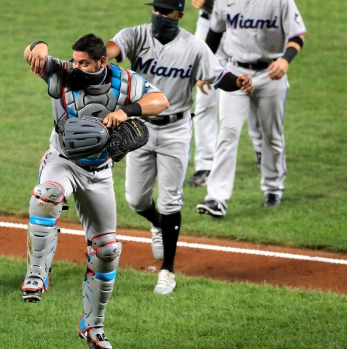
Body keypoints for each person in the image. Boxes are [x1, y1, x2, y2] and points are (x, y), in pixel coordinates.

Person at [22, 33, 169, 349]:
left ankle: (93, 327)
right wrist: (40, 47)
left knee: (107, 252)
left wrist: (127, 110)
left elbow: (161, 100)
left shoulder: (126, 81)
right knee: (47, 194)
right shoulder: (62, 74)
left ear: (102, 61)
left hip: (99, 173)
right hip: (62, 161)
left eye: (84, 62)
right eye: (75, 60)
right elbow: (32, 51)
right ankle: (37, 274)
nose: (77, 67)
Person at [106, 0, 253, 294]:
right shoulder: (136, 35)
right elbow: (114, 48)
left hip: (176, 130)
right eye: (156, 9)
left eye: (165, 11)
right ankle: (159, 224)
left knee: (171, 200)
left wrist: (238, 81)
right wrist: (100, 54)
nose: (159, 15)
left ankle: (167, 272)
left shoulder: (194, 46)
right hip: (140, 127)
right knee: (136, 199)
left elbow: (219, 75)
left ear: (179, 15)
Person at [196, 0, 306, 217]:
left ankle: (273, 188)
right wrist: (206, 69)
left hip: (270, 73)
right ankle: (216, 198)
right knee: (227, 133)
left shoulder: (281, 2)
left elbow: (297, 36)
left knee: (271, 135)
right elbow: (215, 33)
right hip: (236, 73)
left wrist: (285, 60)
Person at [188, 0, 263, 187]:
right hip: (208, 25)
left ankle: (262, 149)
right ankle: (205, 164)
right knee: (205, 99)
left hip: (243, 24)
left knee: (250, 86)